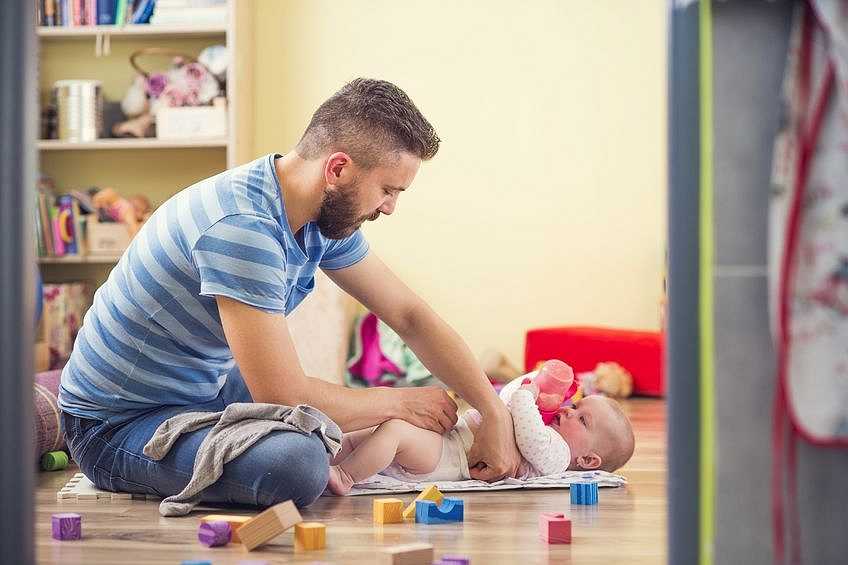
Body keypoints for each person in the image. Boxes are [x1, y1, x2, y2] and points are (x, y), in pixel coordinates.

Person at [58, 78, 521, 508]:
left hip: (203, 390)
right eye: (386, 189)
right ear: (338, 168)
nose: (390, 207)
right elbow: (281, 391)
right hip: (114, 426)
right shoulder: (243, 227)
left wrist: (491, 409)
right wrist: (400, 401)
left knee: (321, 421)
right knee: (298, 462)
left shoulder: (318, 216)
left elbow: (409, 315)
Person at [327, 362, 635, 494]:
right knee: (374, 432)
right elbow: (506, 399)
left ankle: (345, 476)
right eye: (576, 405)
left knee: (395, 431)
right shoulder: (544, 425)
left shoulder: (555, 455)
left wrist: (529, 398)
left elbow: (528, 433)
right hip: (449, 441)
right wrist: (536, 380)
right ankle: (330, 454)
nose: (569, 410)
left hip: (451, 458)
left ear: (589, 461)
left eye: (582, 419)